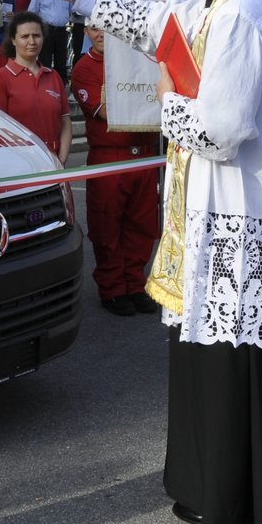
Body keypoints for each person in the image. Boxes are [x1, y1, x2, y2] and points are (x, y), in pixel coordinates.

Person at [33, 0, 262, 524]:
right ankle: (250, 487)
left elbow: (221, 131)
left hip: (235, 210)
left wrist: (167, 102)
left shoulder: (243, 15)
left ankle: (224, 495)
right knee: (239, 352)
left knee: (226, 357)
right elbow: (154, 21)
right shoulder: (222, 6)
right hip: (231, 211)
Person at [70, 24, 161, 316]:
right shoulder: (85, 68)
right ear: (86, 32)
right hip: (111, 157)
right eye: (94, 29)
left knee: (142, 225)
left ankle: (135, 284)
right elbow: (112, 112)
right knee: (107, 227)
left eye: (106, 29)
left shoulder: (139, 60)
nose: (100, 35)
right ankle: (112, 289)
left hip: (144, 155)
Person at [0, 11, 72, 165]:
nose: (32, 41)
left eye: (36, 35)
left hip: (55, 163)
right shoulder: (0, 77)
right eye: (25, 37)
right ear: (13, 40)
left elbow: (65, 122)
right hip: (21, 164)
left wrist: (61, 160)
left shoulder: (53, 76)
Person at [26, 0, 73, 75]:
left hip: (61, 30)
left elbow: (70, 11)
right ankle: (45, 85)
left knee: (61, 60)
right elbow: (32, 13)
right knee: (45, 60)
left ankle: (61, 86)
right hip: (46, 30)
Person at [69, 0, 97, 66]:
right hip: (80, 26)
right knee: (79, 53)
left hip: (96, 27)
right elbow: (71, 8)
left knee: (96, 52)